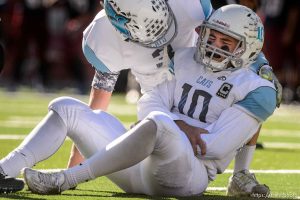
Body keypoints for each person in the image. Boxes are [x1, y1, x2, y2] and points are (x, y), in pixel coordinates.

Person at [0, 0, 279, 196]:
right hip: (137, 166)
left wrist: (169, 124)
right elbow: (148, 103)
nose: (213, 46)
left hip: (186, 176)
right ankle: (5, 169)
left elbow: (216, 148)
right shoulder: (183, 58)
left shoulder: (255, 87)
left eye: (225, 43)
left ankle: (64, 179)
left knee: (160, 122)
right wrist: (178, 125)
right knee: (65, 108)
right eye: (212, 38)